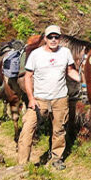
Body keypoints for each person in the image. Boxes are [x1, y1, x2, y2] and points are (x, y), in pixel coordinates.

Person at [17, 25, 81, 169]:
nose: (53, 40)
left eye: (56, 37)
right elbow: (28, 77)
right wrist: (31, 98)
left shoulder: (65, 52)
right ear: (45, 38)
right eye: (50, 37)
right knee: (28, 128)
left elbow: (70, 71)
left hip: (60, 99)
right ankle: (22, 164)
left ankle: (56, 158)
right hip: (39, 100)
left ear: (60, 38)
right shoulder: (36, 54)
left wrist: (84, 81)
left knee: (59, 130)